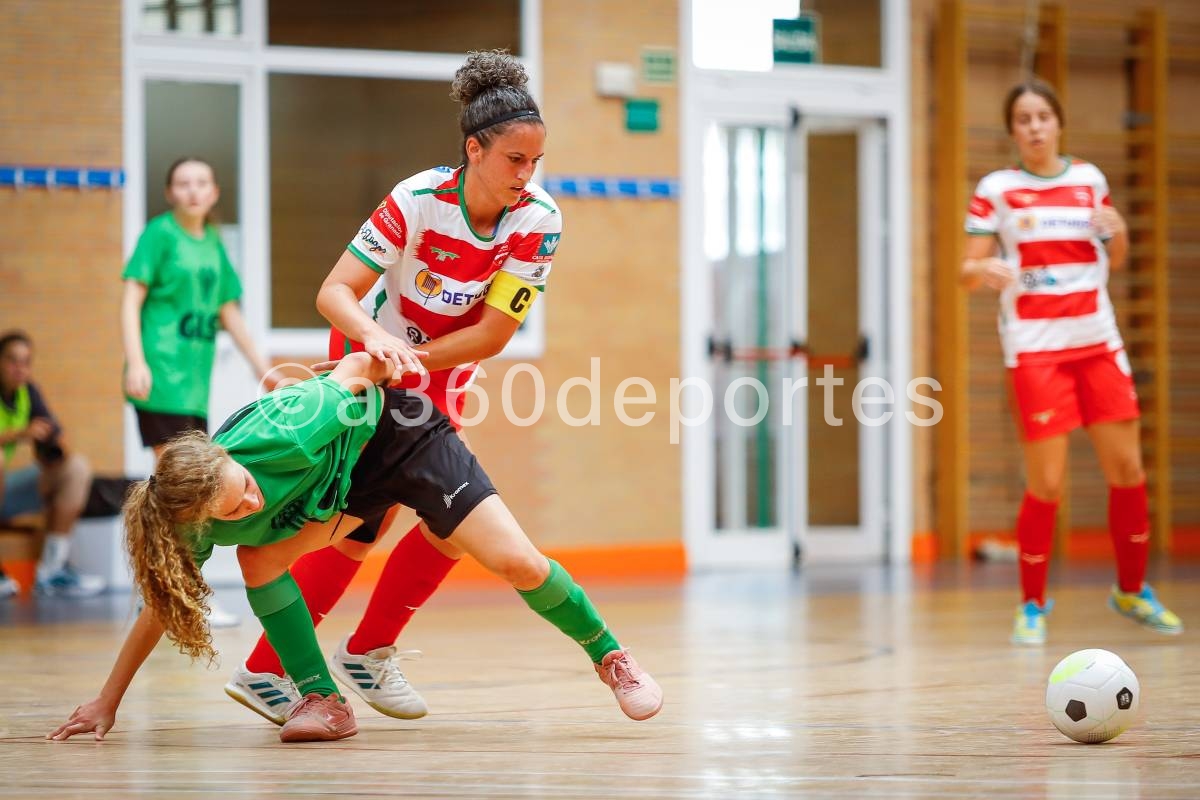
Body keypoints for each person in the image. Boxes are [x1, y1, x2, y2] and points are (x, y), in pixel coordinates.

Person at [49, 352, 662, 744]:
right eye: (232, 512)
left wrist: (381, 353)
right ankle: (324, 698)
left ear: (229, 458)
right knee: (259, 556)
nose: (250, 505)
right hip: (346, 487)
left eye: (246, 488)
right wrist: (108, 700)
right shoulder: (191, 520)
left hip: (401, 436)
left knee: (518, 562)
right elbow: (162, 605)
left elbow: (359, 368)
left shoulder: (294, 426)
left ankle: (609, 656)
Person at [225, 49, 579, 724]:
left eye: (536, 161)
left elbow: (492, 335)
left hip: (439, 368)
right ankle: (287, 665)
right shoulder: (417, 198)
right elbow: (335, 292)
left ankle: (335, 657)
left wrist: (412, 362)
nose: (526, 174)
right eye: (514, 159)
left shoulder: (539, 219)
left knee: (443, 520)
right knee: (366, 522)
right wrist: (377, 348)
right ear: (474, 150)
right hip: (370, 353)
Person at [961, 78, 1184, 645]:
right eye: (1023, 119)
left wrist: (1121, 231)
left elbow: (1116, 256)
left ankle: (1131, 590)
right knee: (1048, 482)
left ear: (1059, 122)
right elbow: (967, 271)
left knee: (1127, 470)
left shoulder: (1090, 180)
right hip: (1037, 349)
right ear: (1013, 131)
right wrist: (984, 270)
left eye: (1043, 116)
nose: (1035, 127)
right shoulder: (997, 188)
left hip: (1097, 341)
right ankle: (1032, 604)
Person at [121, 156, 274, 627]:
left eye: (201, 182)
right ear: (170, 192)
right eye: (183, 183)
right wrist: (137, 361)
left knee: (186, 492)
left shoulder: (212, 242)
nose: (192, 190)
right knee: (184, 492)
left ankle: (168, 593)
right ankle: (178, 592)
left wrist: (263, 369)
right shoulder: (159, 234)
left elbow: (229, 312)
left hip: (192, 386)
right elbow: (130, 300)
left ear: (214, 192)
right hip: (161, 377)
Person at [0, 330, 104, 598]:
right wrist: (21, 434)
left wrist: (54, 446)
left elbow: (55, 437)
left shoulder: (28, 392)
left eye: (26, 362)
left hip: (6, 492)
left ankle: (51, 570)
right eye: (12, 360)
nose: (19, 368)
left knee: (76, 468)